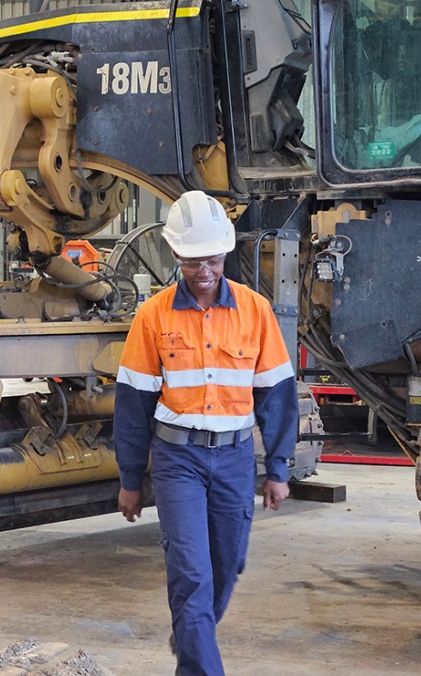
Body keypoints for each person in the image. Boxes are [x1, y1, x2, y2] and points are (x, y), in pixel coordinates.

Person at [113, 190, 298, 675]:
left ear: (225, 254)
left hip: (235, 460)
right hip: (178, 462)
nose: (205, 271)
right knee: (191, 574)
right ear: (176, 256)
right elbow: (133, 405)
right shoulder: (152, 317)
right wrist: (131, 479)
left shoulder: (256, 313)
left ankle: (190, 640)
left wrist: (277, 469)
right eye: (194, 261)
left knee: (225, 567)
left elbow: (277, 396)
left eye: (213, 259)